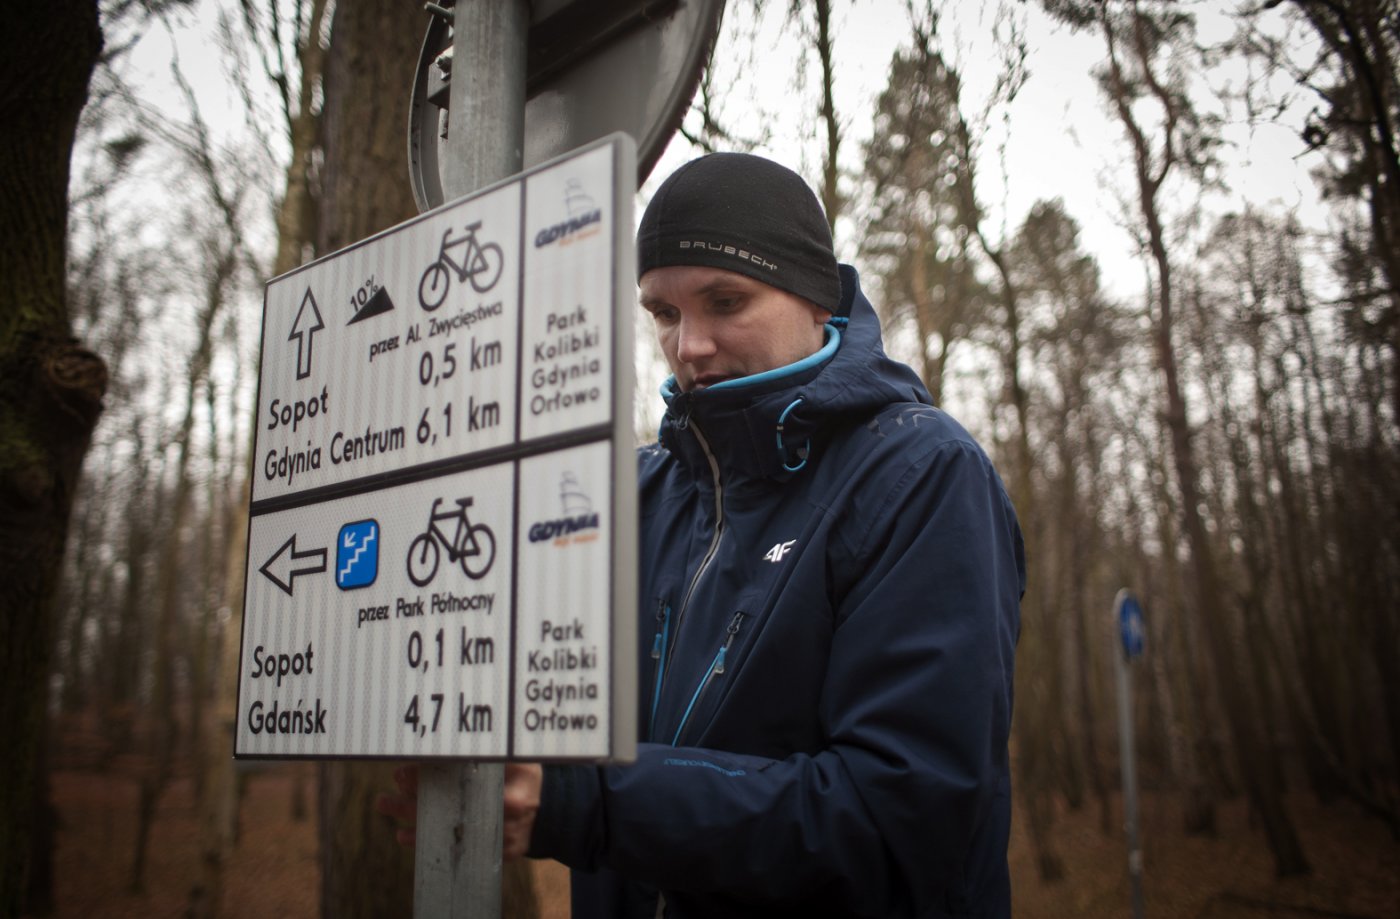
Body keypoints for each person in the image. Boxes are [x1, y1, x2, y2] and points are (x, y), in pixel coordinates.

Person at [380, 152, 1024, 918]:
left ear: (817, 299)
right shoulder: (637, 491)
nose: (690, 346)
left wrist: (589, 803)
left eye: (725, 300)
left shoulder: (922, 474)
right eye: (663, 312)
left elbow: (899, 819)